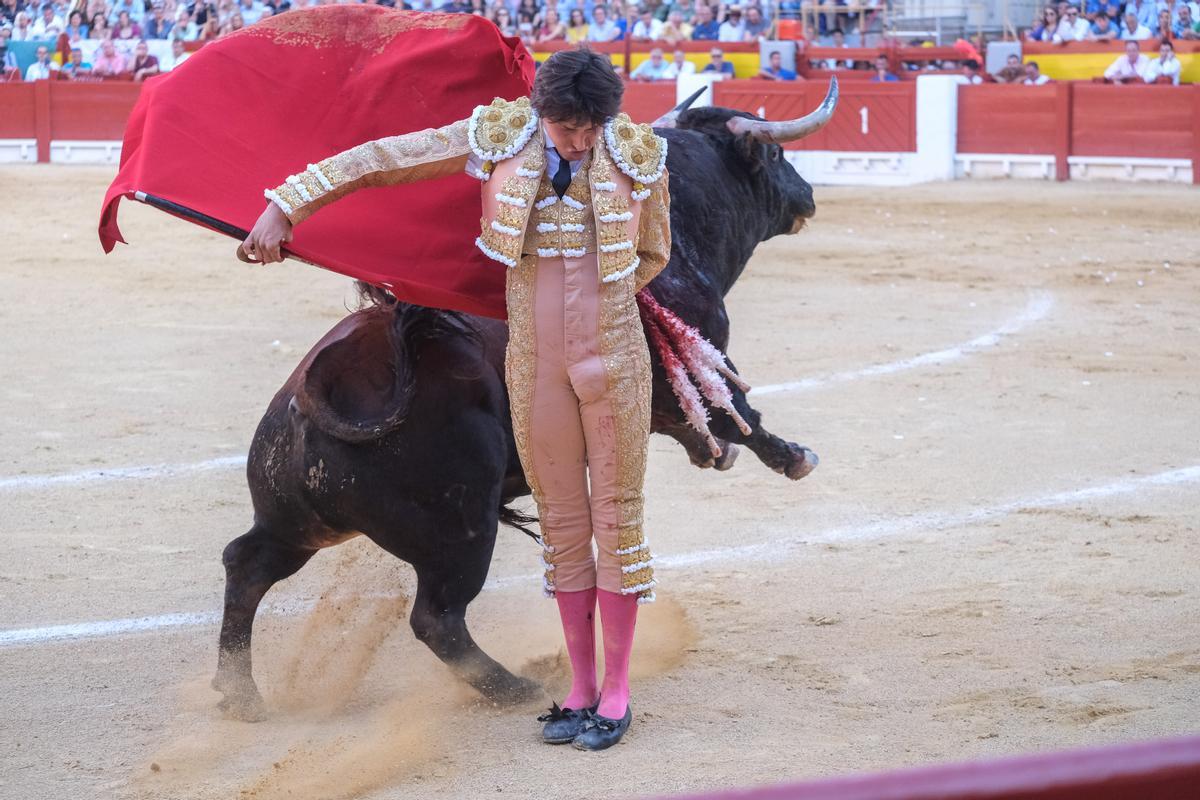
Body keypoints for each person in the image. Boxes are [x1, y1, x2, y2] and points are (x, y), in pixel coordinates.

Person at [243, 49, 669, 752]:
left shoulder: (638, 152)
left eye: (592, 128)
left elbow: (653, 254)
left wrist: (599, 304)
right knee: (563, 527)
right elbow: (380, 158)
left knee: (616, 523)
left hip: (615, 363)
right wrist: (285, 204)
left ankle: (617, 694)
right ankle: (580, 689)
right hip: (535, 364)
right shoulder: (498, 137)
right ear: (541, 113)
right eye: (568, 127)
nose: (582, 140)